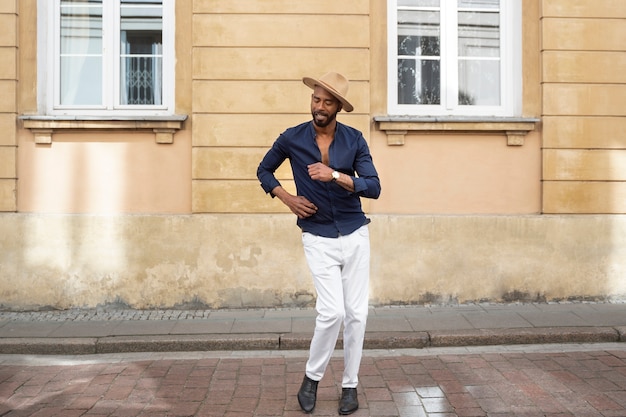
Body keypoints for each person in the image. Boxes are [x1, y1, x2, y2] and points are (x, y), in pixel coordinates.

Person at [257, 72, 381, 415]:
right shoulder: (292, 138)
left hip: (355, 234)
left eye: (327, 102)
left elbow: (373, 186)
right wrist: (287, 198)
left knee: (357, 314)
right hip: (317, 235)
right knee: (332, 312)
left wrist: (337, 176)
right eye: (316, 100)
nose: (319, 107)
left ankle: (350, 386)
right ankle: (311, 378)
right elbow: (264, 171)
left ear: (338, 106)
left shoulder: (354, 140)